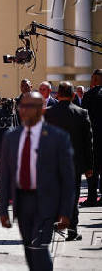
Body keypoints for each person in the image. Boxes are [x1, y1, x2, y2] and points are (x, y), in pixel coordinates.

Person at [0, 92, 75, 271]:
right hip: (22, 201)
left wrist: (66, 211)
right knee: (29, 249)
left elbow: (68, 178)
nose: (24, 111)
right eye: (22, 106)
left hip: (47, 202)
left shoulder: (58, 137)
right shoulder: (11, 137)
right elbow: (6, 175)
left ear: (41, 110)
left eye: (29, 106)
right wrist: (3, 209)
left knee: (38, 249)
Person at [44, 81, 93, 241]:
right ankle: (72, 230)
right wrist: (89, 166)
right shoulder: (81, 113)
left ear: (57, 94)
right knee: (74, 196)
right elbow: (88, 142)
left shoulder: (48, 113)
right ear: (73, 95)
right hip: (75, 163)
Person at [81, 69, 102, 207]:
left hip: (93, 138)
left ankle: (92, 197)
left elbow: (84, 118)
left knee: (92, 170)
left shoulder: (88, 95)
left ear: (94, 79)